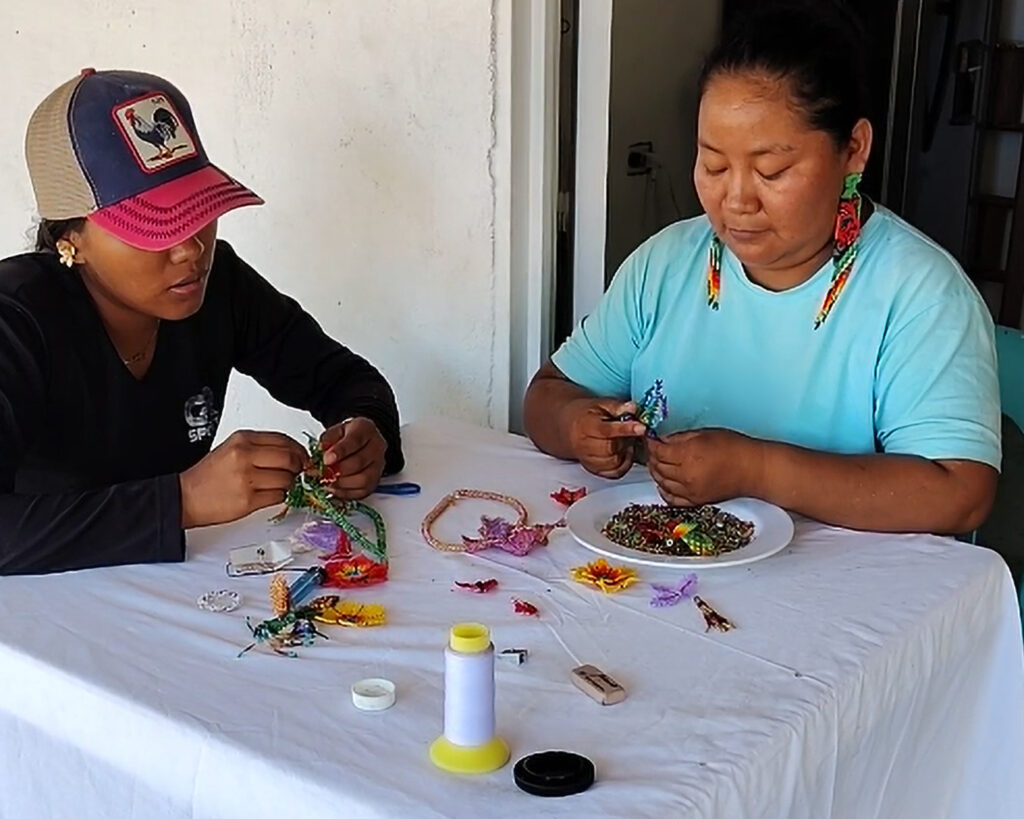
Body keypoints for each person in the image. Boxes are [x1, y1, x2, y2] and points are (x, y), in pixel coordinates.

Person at [524, 2, 1000, 535]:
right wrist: (577, 426)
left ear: (854, 149)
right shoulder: (665, 265)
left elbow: (961, 493)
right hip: (667, 568)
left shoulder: (919, 294)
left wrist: (758, 470)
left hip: (841, 582)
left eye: (771, 170)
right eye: (714, 165)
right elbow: (547, 394)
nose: (736, 200)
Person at [0, 69, 403, 575]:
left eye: (196, 210)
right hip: (38, 609)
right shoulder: (16, 322)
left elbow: (345, 380)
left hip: (175, 588)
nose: (190, 248)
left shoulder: (219, 287)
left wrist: (366, 434)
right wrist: (182, 501)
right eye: (153, 226)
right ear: (70, 240)